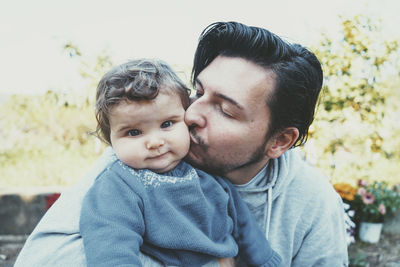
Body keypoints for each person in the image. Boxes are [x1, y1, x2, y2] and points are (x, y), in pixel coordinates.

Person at [15, 21, 348, 267]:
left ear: (279, 140)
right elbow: (38, 259)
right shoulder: (135, 162)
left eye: (226, 110)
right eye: (198, 92)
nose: (191, 115)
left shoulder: (312, 202)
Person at [79, 58, 281, 266]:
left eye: (167, 124)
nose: (155, 142)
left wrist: (265, 261)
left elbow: (243, 223)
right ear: (110, 139)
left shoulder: (204, 168)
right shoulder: (118, 185)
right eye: (133, 132)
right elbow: (111, 247)